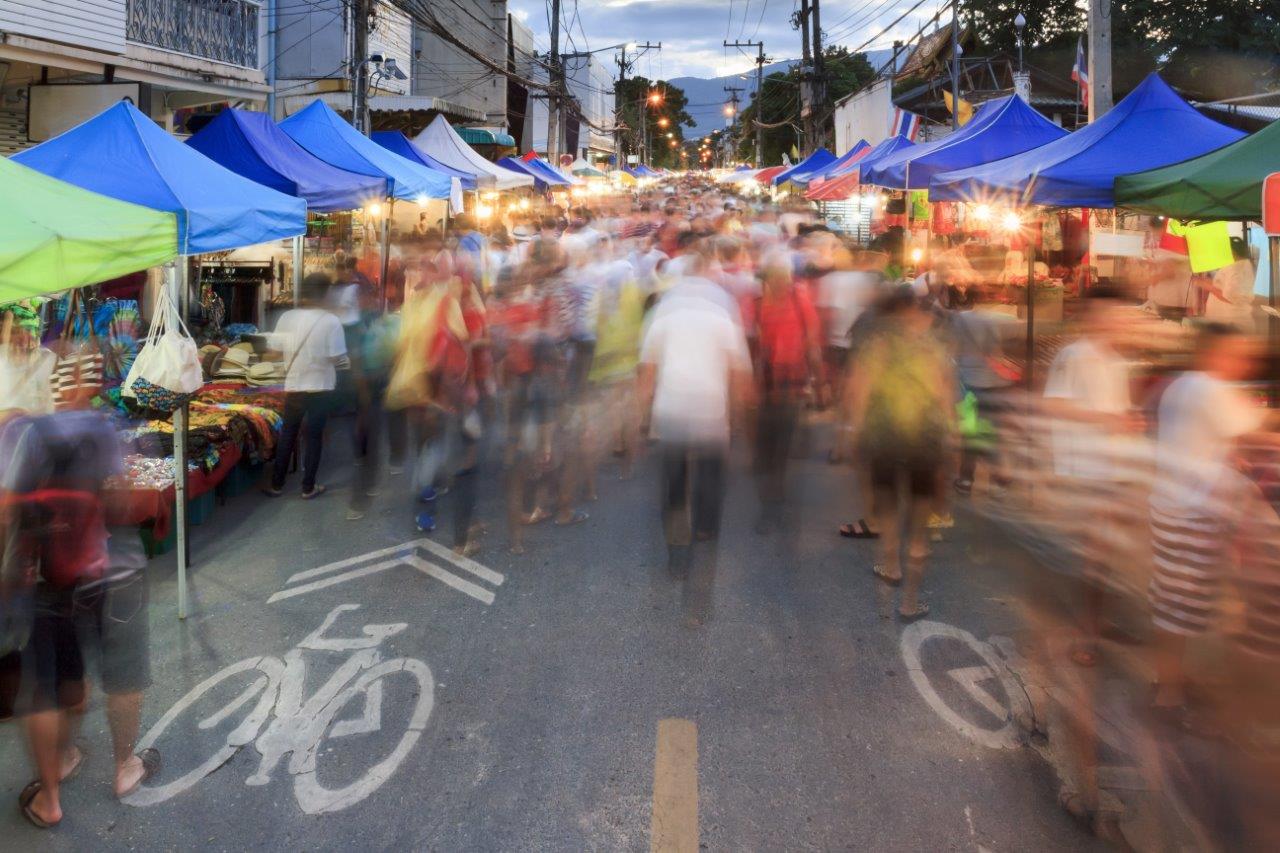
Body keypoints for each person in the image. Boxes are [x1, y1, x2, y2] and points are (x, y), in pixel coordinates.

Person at [1, 402, 157, 828]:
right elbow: (123, 503)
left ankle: (53, 789)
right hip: (113, 568)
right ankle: (125, 768)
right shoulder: (105, 427)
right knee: (122, 675)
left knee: (47, 684)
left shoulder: (24, 434)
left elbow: (7, 510)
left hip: (45, 574)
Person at [1147, 324, 1279, 720]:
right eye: (1237, 353)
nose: (1245, 362)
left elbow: (1199, 438)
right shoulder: (1211, 388)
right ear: (1213, 352)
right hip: (1192, 511)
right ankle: (1169, 696)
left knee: (1173, 599)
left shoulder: (1181, 385)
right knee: (1180, 604)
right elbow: (1260, 433)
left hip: (1172, 504)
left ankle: (1168, 679)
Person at [638, 240, 752, 566]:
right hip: (711, 410)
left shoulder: (663, 309)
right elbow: (740, 370)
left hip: (671, 408)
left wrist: (641, 418)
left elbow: (646, 371)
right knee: (710, 474)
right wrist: (741, 415)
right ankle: (704, 529)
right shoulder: (722, 309)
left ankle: (677, 539)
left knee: (674, 477)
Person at [846, 285, 955, 621]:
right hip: (924, 442)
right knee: (919, 529)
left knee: (889, 512)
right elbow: (944, 395)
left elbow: (860, 393)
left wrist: (855, 435)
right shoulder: (931, 346)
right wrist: (951, 439)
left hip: (885, 440)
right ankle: (909, 602)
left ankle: (892, 567)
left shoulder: (877, 344)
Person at [265, 273, 347, 499]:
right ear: (325, 294)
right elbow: (337, 357)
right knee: (314, 436)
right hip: (320, 386)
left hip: (295, 385)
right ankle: (308, 487)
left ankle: (277, 484)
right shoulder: (331, 321)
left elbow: (273, 351)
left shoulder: (287, 317)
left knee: (288, 434)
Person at [1202, 237, 1256, 332]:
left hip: (1233, 326)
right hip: (1225, 325)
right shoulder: (1235, 265)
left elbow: (1230, 296)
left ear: (1231, 251)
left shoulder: (1238, 268)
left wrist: (1207, 286)